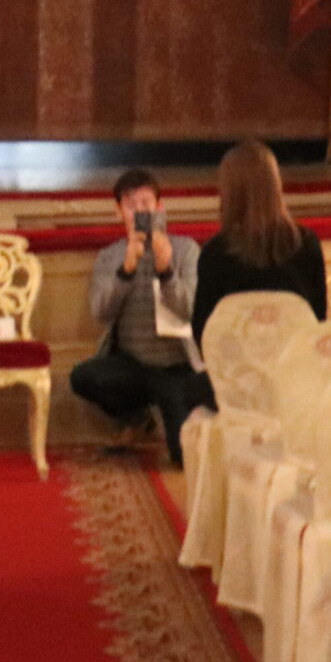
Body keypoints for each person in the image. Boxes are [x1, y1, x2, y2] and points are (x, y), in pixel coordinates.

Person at [70, 168, 213, 466]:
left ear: (160, 208)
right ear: (118, 212)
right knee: (84, 377)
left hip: (176, 366)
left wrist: (166, 271)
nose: (139, 211)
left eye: (146, 203)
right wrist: (127, 270)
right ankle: (138, 416)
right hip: (132, 364)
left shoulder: (185, 250)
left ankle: (169, 412)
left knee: (182, 457)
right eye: (131, 205)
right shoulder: (110, 256)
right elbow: (101, 312)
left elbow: (191, 310)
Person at [191, 140, 329, 346]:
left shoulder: (217, 252)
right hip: (292, 368)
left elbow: (203, 331)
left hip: (236, 374)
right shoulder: (307, 244)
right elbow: (317, 319)